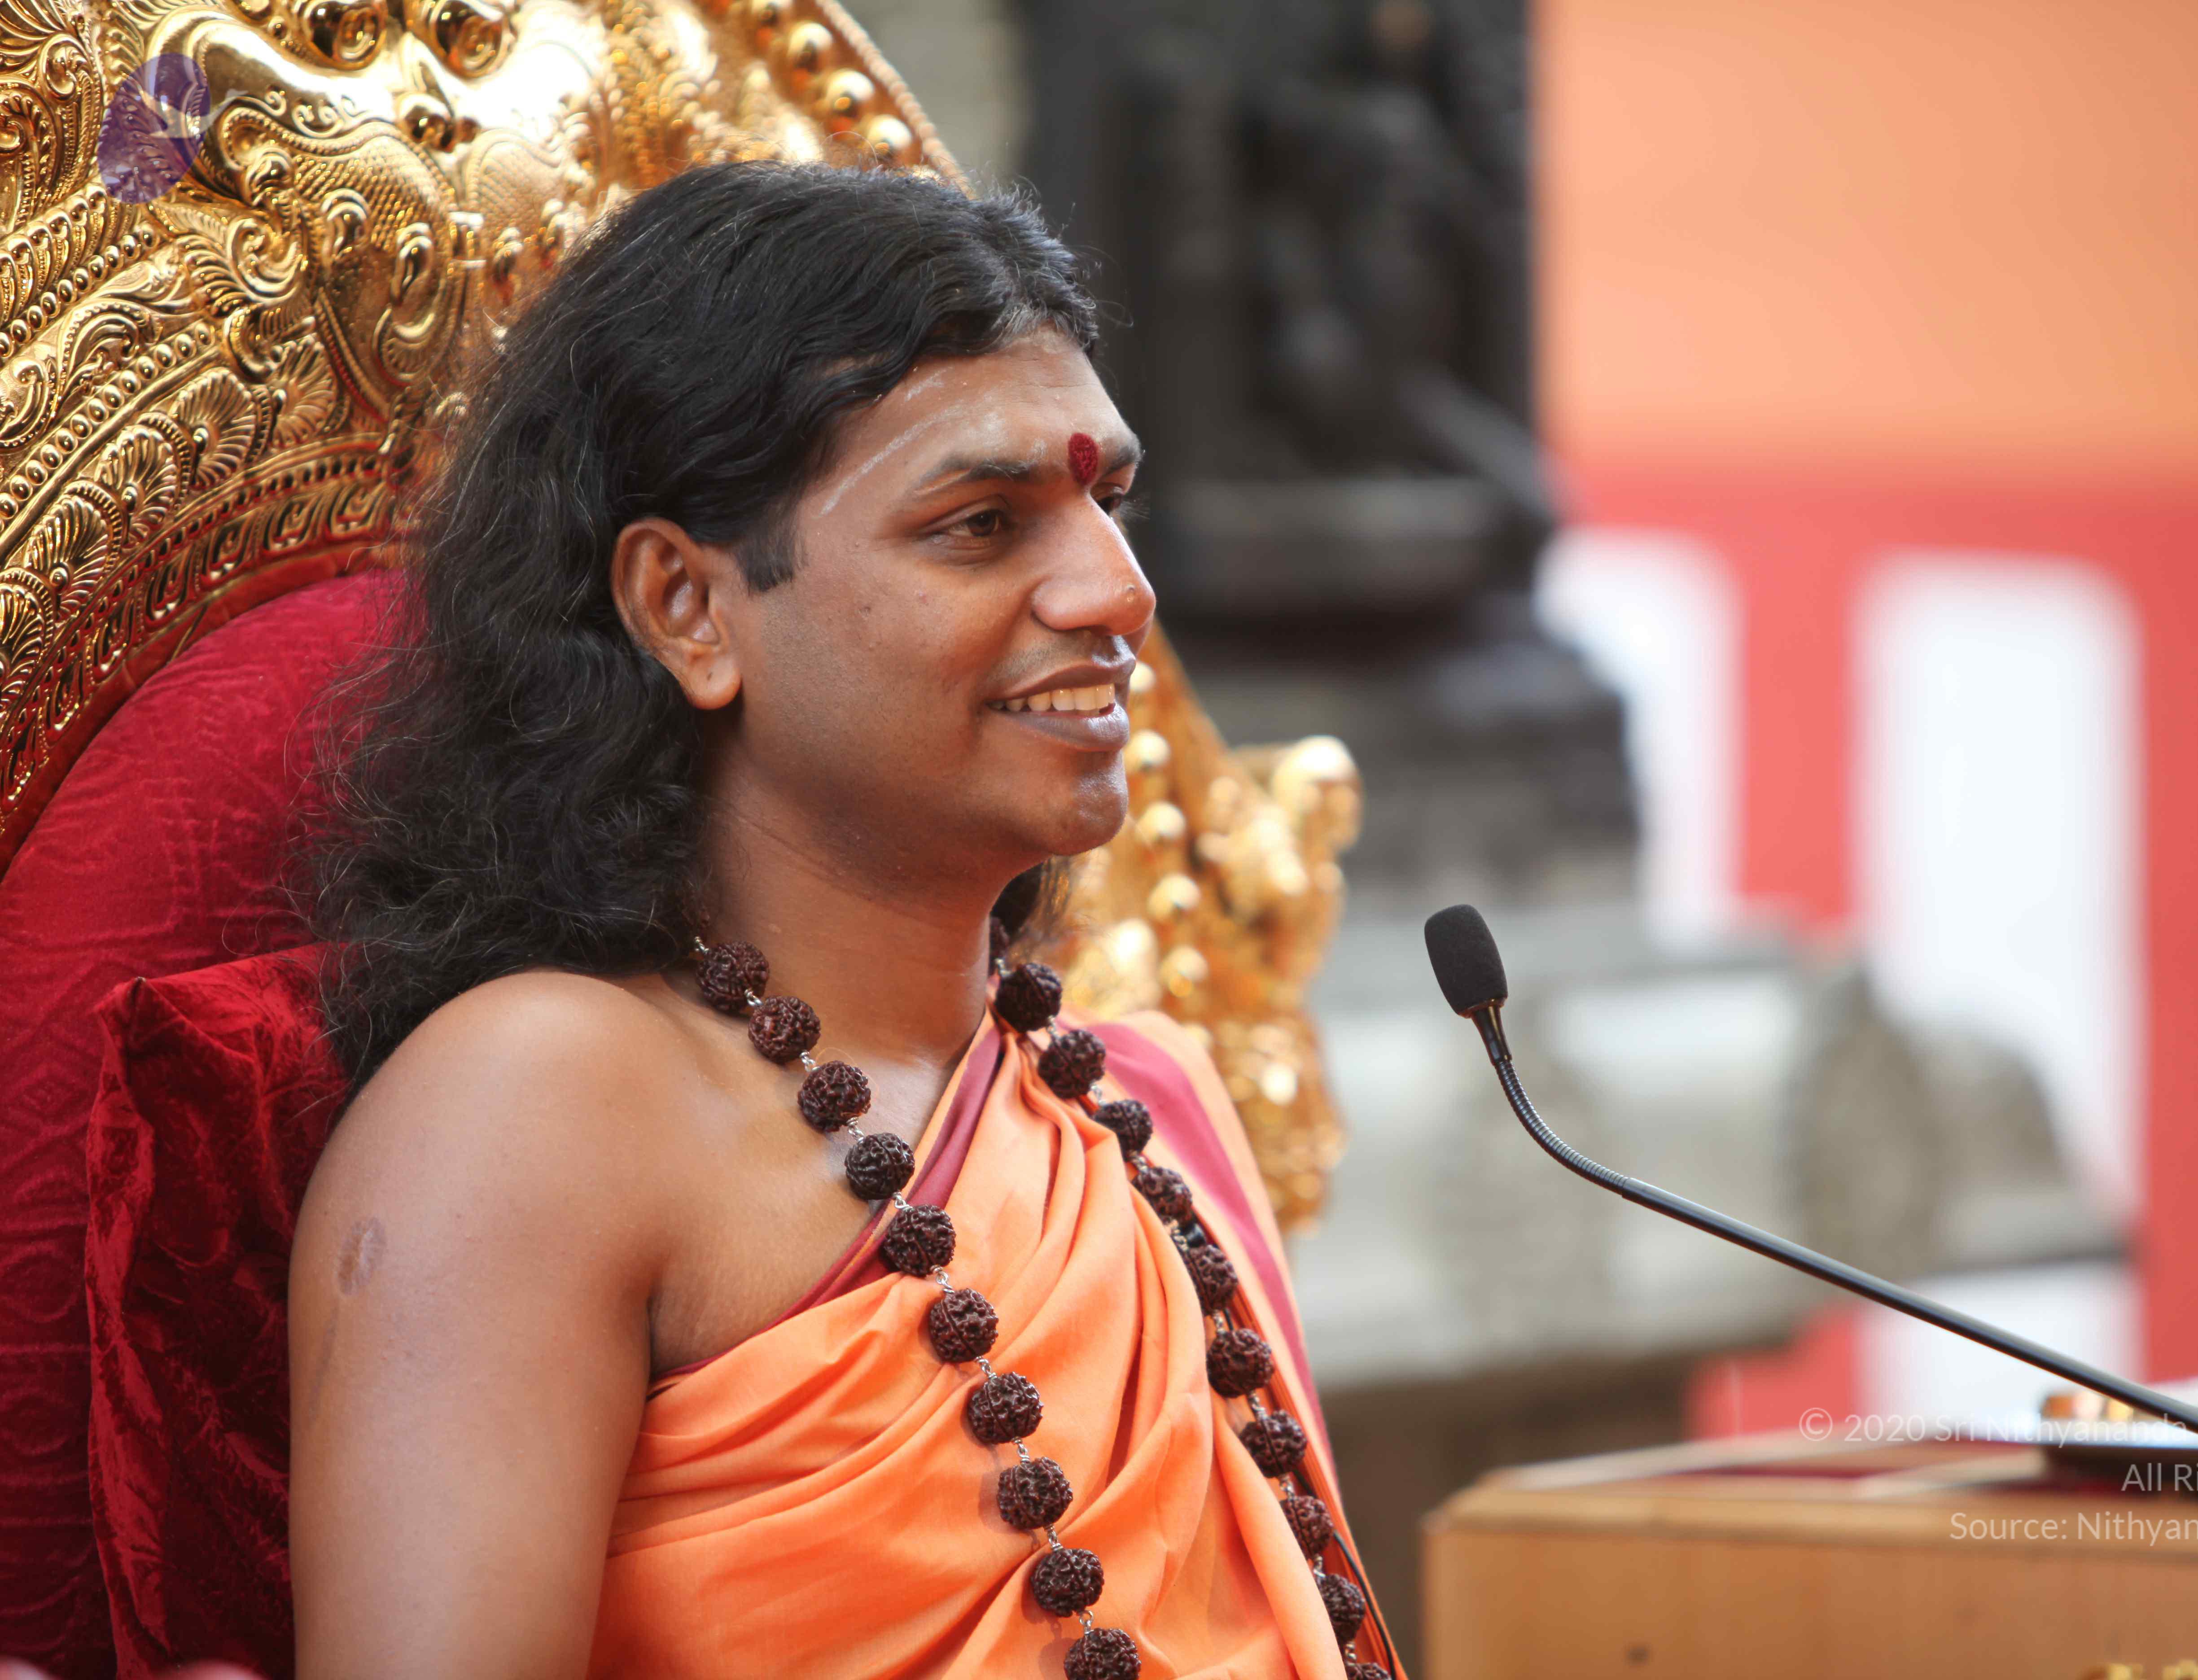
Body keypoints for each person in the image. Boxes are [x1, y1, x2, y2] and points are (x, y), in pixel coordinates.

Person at [290, 161, 1392, 1680]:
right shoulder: (537, 1109)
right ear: (688, 608)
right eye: (982, 524)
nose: (1117, 591)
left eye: (1111, 503)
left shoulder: (1140, 1101)